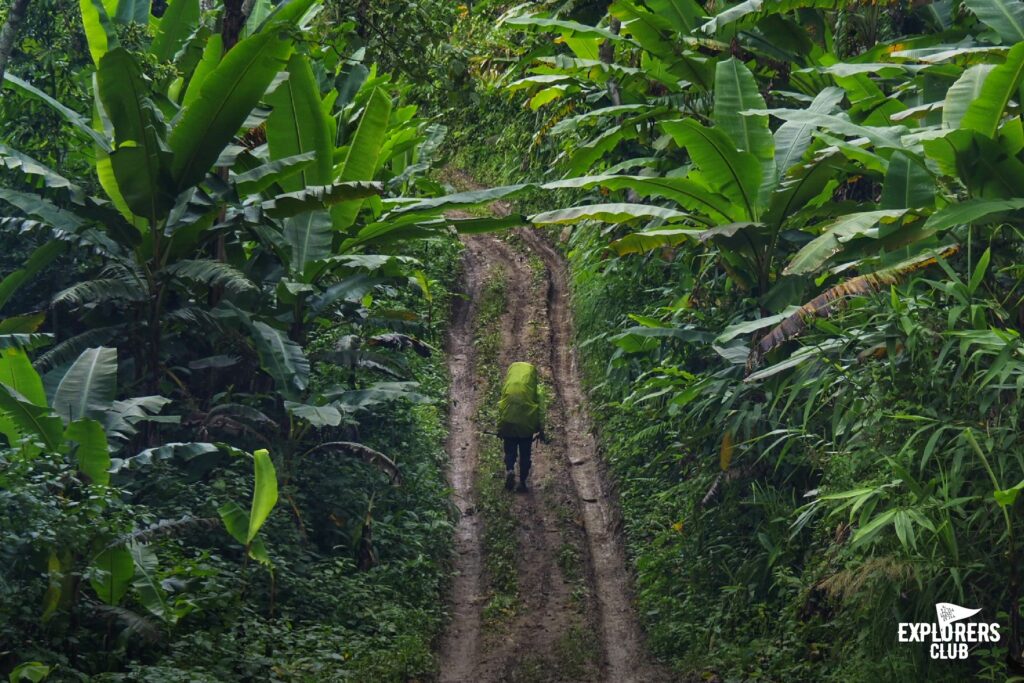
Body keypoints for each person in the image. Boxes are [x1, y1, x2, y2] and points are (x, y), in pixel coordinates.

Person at [496, 362, 545, 492]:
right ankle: (523, 482)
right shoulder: (536, 389)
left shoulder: (508, 387)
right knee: (525, 453)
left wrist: (500, 427)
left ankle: (510, 469)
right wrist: (541, 428)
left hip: (509, 422)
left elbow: (502, 407)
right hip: (526, 424)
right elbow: (541, 409)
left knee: (509, 450)